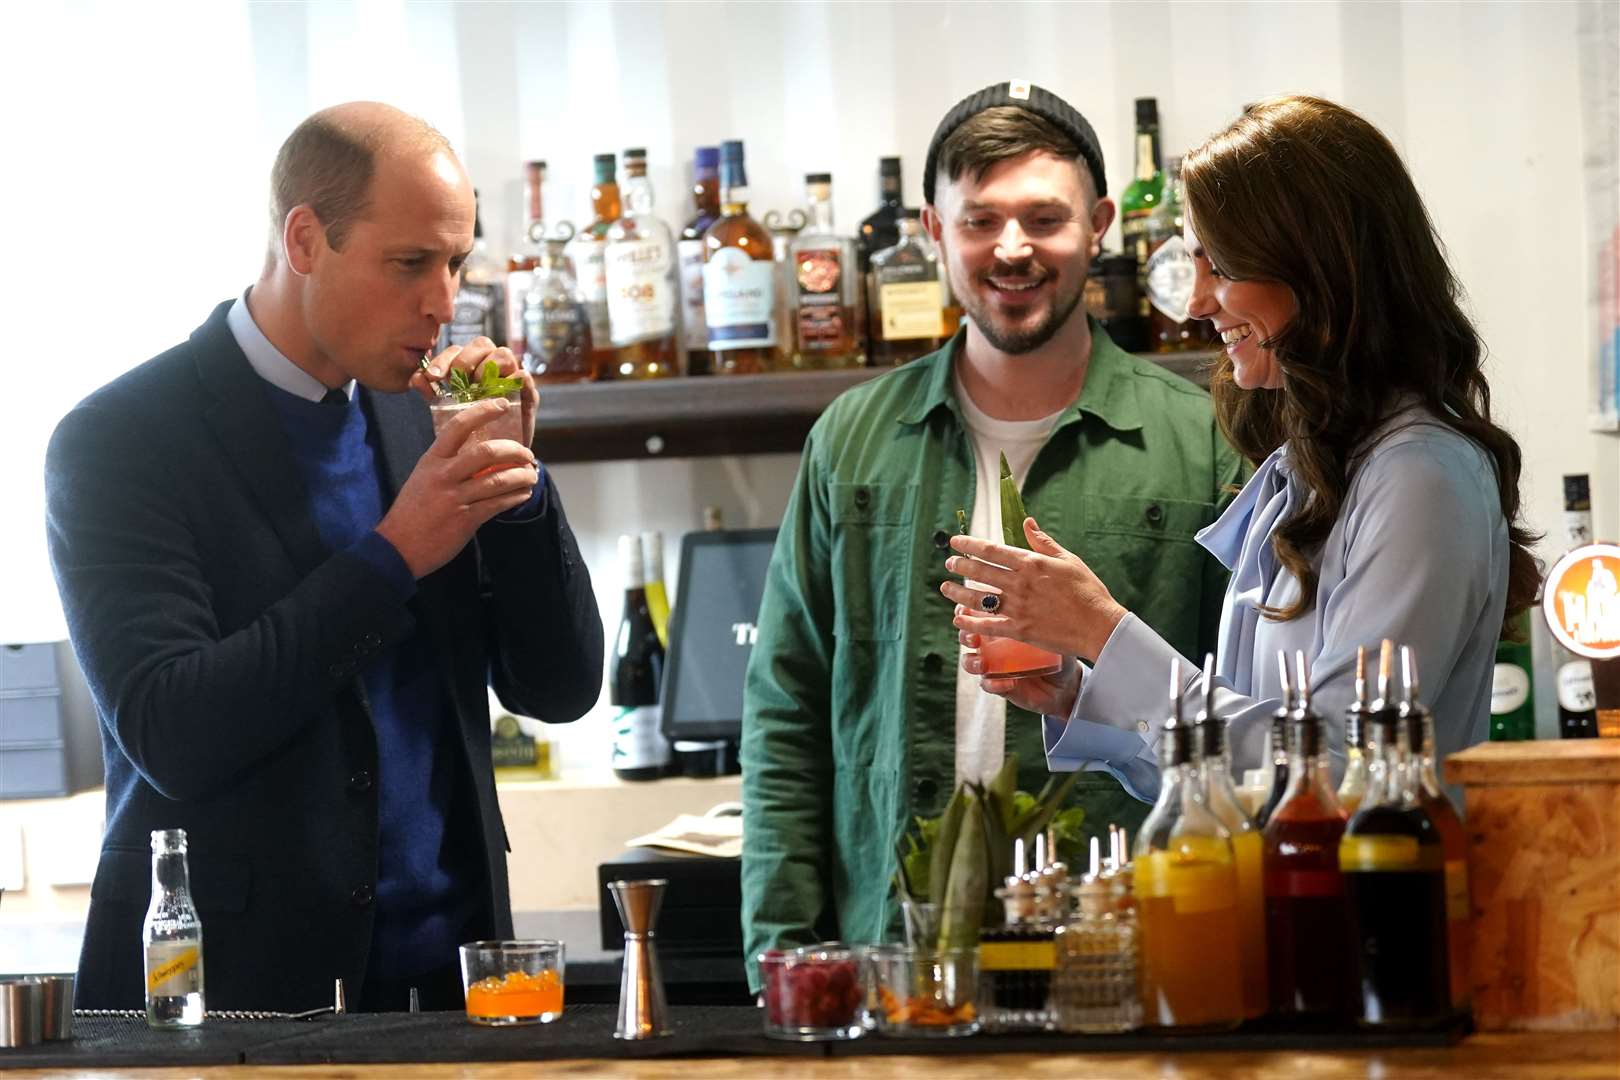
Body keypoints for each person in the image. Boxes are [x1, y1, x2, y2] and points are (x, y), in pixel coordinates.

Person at [45, 102, 604, 1013]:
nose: (445, 301)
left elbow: (562, 689)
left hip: (461, 980)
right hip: (236, 998)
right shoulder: (117, 439)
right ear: (305, 239)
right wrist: (395, 554)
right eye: (410, 263)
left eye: (457, 261)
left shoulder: (417, 411)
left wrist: (519, 494)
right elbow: (174, 731)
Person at [740, 82, 1247, 987]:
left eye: (1044, 219)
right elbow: (787, 712)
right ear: (934, 232)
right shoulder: (850, 439)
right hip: (892, 958)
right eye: (980, 221)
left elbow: (1248, 706)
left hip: (1127, 946)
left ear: (1097, 226)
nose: (1012, 250)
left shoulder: (1206, 440)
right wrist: (781, 956)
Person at [945, 95, 1538, 798]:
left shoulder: (1421, 477)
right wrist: (1076, 689)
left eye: (1218, 266)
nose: (1195, 302)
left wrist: (1104, 631)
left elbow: (1338, 771)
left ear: (1319, 268)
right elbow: (1236, 776)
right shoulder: (1311, 467)